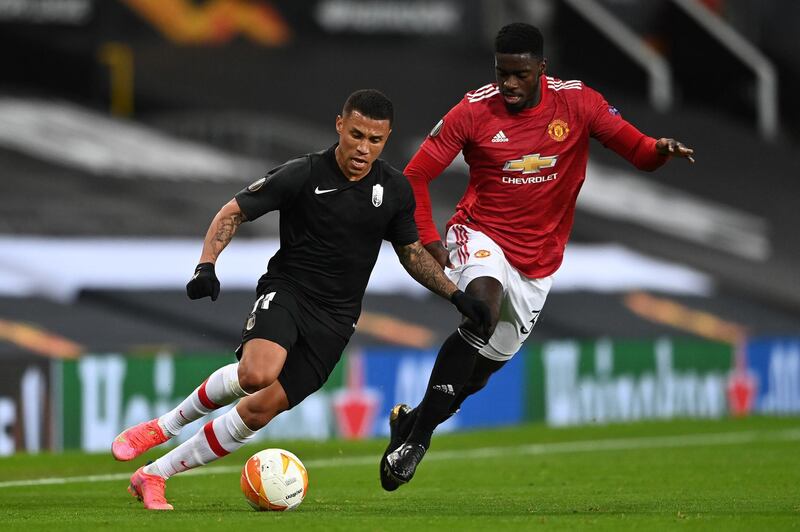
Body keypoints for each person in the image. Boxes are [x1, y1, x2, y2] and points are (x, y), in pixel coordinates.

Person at [111, 89, 491, 510]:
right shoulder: (302, 174)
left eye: (375, 140)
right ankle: (161, 428)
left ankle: (153, 476)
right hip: (288, 292)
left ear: (386, 140)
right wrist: (206, 265)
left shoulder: (395, 189)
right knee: (257, 373)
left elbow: (412, 254)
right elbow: (233, 211)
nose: (363, 148)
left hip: (336, 321)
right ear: (340, 126)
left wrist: (456, 295)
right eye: (357, 135)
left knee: (257, 412)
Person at [380, 23, 695, 490]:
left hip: (539, 262)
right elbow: (415, 175)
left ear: (541, 70)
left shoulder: (578, 102)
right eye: (501, 72)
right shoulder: (471, 111)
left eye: (519, 74)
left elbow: (637, 149)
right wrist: (430, 241)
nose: (508, 84)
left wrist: (658, 150)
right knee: (480, 311)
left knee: (477, 377)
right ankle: (418, 441)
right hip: (480, 234)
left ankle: (409, 423)